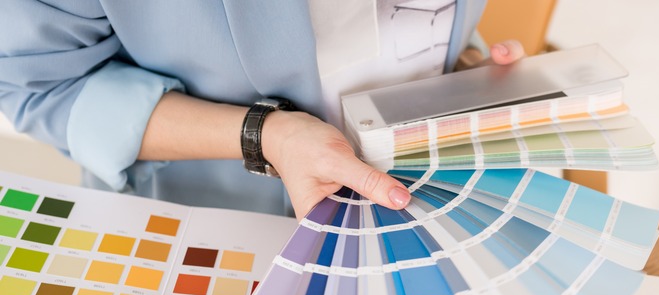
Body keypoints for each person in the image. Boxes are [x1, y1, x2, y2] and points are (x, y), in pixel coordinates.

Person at [0, 1, 523, 220]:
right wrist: (264, 135)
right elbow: (41, 88)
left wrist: (464, 68)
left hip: (427, 202)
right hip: (215, 230)